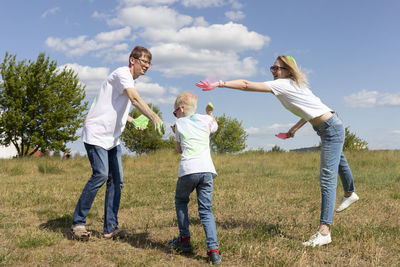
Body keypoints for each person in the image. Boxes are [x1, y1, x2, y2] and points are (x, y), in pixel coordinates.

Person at [195, 55, 359, 247]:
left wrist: (220, 83)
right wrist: (294, 130)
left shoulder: (284, 84)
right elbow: (310, 111)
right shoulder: (292, 86)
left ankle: (324, 231)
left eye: (276, 68)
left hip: (330, 128)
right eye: (271, 68)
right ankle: (350, 194)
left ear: (288, 71)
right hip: (329, 126)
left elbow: (247, 84)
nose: (272, 71)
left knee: (327, 177)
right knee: (340, 161)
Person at [70, 46, 164, 240]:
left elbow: (114, 106)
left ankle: (110, 228)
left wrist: (131, 120)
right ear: (132, 60)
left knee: (117, 180)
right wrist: (153, 116)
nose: (146, 66)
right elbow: (134, 98)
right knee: (101, 174)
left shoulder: (128, 80)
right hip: (96, 133)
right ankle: (78, 223)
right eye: (143, 61)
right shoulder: (123, 74)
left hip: (112, 139)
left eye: (149, 63)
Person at [168, 92, 222, 265]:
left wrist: (175, 132)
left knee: (181, 201)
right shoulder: (206, 119)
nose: (175, 115)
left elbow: (179, 150)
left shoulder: (179, 124)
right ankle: (213, 250)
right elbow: (216, 126)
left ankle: (184, 240)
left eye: (175, 111)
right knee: (206, 210)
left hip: (189, 170)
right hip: (207, 170)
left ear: (181, 109)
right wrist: (210, 113)